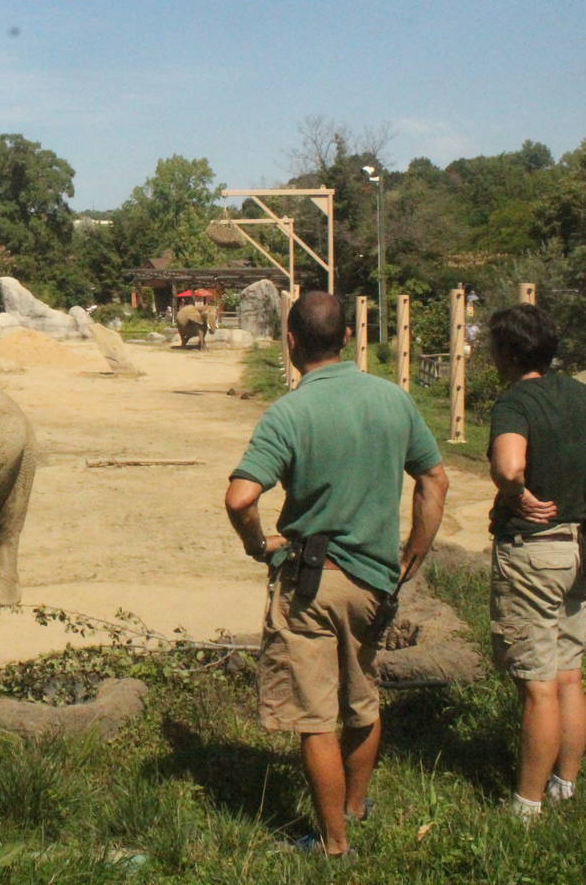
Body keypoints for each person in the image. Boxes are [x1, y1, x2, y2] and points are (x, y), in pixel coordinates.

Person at [225, 291, 449, 857]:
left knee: (315, 716)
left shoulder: (289, 412)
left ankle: (333, 845)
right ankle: (355, 804)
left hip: (311, 581)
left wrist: (259, 545)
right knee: (363, 697)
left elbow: (240, 497)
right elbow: (435, 479)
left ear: (292, 343)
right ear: (348, 338)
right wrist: (416, 550)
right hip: (376, 580)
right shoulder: (394, 400)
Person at [485, 303, 586, 817]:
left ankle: (526, 806)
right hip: (583, 545)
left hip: (534, 551)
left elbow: (509, 465)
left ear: (509, 353)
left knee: (537, 688)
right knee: (568, 675)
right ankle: (564, 785)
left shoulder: (515, 402)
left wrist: (515, 491)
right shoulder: (579, 393)